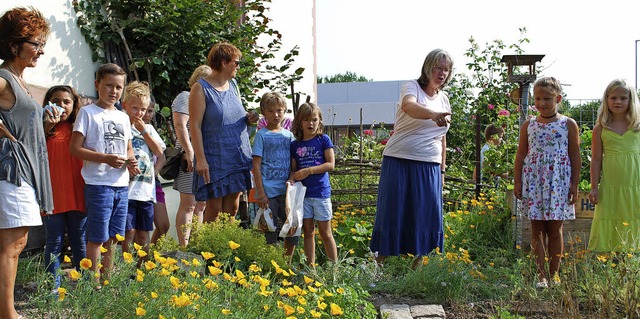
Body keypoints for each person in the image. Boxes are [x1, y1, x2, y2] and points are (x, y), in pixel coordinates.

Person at [369, 49, 453, 269]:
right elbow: (409, 106)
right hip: (399, 158)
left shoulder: (444, 99)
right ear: (428, 67)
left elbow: (442, 138)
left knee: (425, 214)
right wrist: (432, 114)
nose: (442, 73)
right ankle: (376, 267)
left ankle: (417, 272)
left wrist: (442, 170)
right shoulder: (412, 87)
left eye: (446, 69)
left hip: (430, 164)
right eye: (438, 67)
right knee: (392, 211)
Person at [0, 7, 53, 318]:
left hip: (24, 172)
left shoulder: (19, 82)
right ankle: (7, 313)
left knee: (14, 244)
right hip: (12, 171)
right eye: (35, 43)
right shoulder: (5, 79)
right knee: (13, 244)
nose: (41, 51)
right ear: (13, 45)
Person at [70, 63, 138, 281]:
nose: (114, 91)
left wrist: (132, 162)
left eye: (119, 87)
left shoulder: (123, 117)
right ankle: (93, 282)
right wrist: (105, 159)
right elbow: (75, 148)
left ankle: (107, 280)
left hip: (121, 185)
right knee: (97, 236)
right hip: (98, 184)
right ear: (97, 85)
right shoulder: (87, 113)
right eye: (109, 86)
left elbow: (127, 147)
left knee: (114, 237)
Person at [514, 76, 581, 288]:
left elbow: (575, 155)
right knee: (536, 229)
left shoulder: (568, 124)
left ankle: (554, 275)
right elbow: (521, 154)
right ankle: (540, 275)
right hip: (534, 181)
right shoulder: (529, 125)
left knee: (555, 228)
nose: (542, 103)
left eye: (547, 99)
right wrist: (517, 182)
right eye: (538, 98)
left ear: (558, 98)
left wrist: (574, 184)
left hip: (558, 182)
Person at [190, 42, 258, 223]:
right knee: (214, 208)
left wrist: (249, 117)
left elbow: (233, 113)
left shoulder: (233, 85)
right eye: (236, 63)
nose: (238, 67)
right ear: (223, 63)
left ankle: (228, 247)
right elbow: (194, 126)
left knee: (233, 207)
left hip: (236, 154)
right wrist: (201, 159)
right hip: (214, 156)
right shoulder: (200, 88)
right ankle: (209, 250)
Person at [41, 85, 87, 290]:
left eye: (66, 102)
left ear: (74, 104)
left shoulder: (80, 126)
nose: (61, 106)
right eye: (56, 101)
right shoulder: (40, 127)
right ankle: (52, 289)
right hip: (52, 194)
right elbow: (32, 148)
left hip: (79, 192)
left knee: (80, 241)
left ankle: (86, 287)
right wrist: (45, 127)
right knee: (54, 242)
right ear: (48, 104)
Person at [588, 79, 640, 252]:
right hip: (611, 185)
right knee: (610, 217)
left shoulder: (638, 126)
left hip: (636, 185)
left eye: (623, 98)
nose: (618, 101)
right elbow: (595, 159)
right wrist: (594, 186)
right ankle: (610, 263)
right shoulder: (601, 128)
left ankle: (633, 263)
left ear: (631, 100)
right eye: (613, 97)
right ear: (606, 99)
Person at [120, 82, 165, 261]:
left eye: (143, 109)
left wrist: (144, 131)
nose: (139, 113)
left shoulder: (149, 129)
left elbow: (159, 152)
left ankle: (143, 269)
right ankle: (126, 269)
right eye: (135, 108)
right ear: (125, 106)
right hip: (128, 189)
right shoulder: (121, 124)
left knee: (144, 233)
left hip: (146, 191)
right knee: (128, 232)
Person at [289, 102, 337, 265]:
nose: (311, 123)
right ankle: (311, 269)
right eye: (306, 120)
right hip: (304, 195)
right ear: (299, 122)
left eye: (314, 120)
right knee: (308, 232)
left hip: (321, 194)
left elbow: (330, 164)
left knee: (325, 233)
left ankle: (334, 270)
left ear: (320, 121)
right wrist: (292, 179)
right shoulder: (295, 144)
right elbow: (294, 170)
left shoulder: (323, 140)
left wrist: (309, 170)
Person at [252, 92, 299, 258]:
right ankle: (271, 263)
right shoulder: (261, 136)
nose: (276, 115)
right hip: (268, 192)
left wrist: (292, 178)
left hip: (285, 192)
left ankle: (287, 261)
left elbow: (294, 162)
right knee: (269, 231)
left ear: (285, 110)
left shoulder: (289, 136)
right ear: (264, 112)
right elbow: (256, 166)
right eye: (271, 111)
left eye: (279, 110)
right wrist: (261, 193)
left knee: (292, 228)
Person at [172, 65, 209, 246]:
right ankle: (183, 247)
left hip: (204, 157)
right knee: (189, 204)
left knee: (201, 205)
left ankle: (196, 245)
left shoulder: (205, 100)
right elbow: (180, 125)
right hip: (190, 157)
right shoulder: (185, 97)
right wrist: (189, 151)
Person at [144, 97, 169, 244]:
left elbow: (162, 156)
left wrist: (154, 172)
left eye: (150, 111)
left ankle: (152, 256)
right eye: (144, 110)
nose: (146, 114)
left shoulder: (150, 129)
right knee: (138, 228)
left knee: (163, 225)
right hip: (134, 181)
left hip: (153, 180)